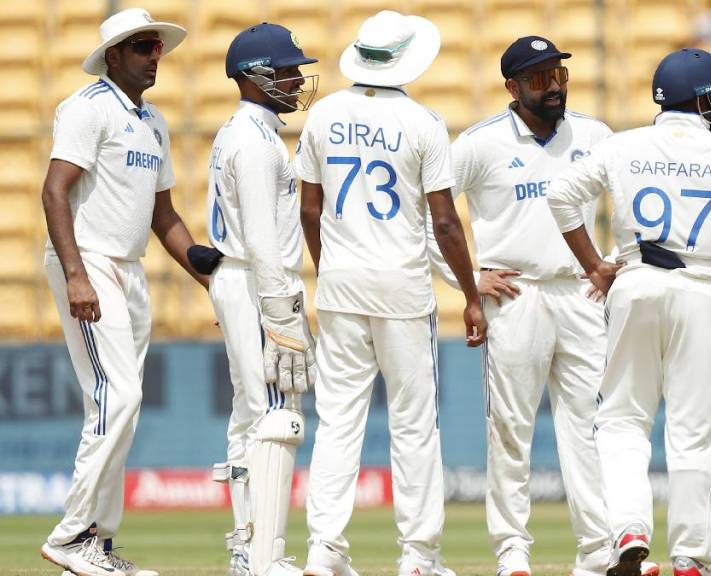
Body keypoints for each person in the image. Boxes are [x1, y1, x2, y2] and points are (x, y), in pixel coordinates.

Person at [547, 48, 711, 576]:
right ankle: (689, 555)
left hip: (635, 282)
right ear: (699, 98)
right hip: (706, 290)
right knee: (693, 431)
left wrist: (595, 265)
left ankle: (630, 529)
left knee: (620, 421)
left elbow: (561, 198)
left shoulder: (624, 146)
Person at [428, 35, 659, 576]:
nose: (553, 86)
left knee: (589, 426)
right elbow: (428, 220)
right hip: (517, 293)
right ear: (512, 86)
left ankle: (598, 553)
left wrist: (614, 263)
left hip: (580, 290)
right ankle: (513, 551)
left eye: (558, 75)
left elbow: (631, 201)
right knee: (511, 428)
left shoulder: (596, 135)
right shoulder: (480, 144)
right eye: (538, 78)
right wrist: (469, 279)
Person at [297, 11, 486, 576]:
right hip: (401, 287)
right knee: (414, 425)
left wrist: (330, 268)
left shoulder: (323, 114)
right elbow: (446, 224)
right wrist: (472, 294)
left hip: (340, 285)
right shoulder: (423, 122)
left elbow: (309, 209)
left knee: (337, 422)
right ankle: (419, 557)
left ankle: (323, 548)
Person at [38, 8, 201, 576]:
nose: (154, 57)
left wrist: (210, 276)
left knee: (115, 408)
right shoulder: (88, 108)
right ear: (114, 56)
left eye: (157, 47)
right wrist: (76, 272)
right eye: (142, 48)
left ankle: (95, 545)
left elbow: (164, 215)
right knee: (119, 397)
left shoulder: (152, 121)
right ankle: (69, 536)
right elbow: (54, 191)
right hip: (88, 262)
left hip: (129, 270)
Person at [189, 23, 319, 576]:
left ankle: (249, 550)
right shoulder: (255, 140)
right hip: (257, 280)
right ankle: (264, 555)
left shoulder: (245, 132)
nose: (295, 78)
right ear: (252, 75)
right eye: (285, 69)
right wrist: (282, 315)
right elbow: (264, 238)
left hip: (243, 279)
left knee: (252, 417)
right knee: (274, 417)